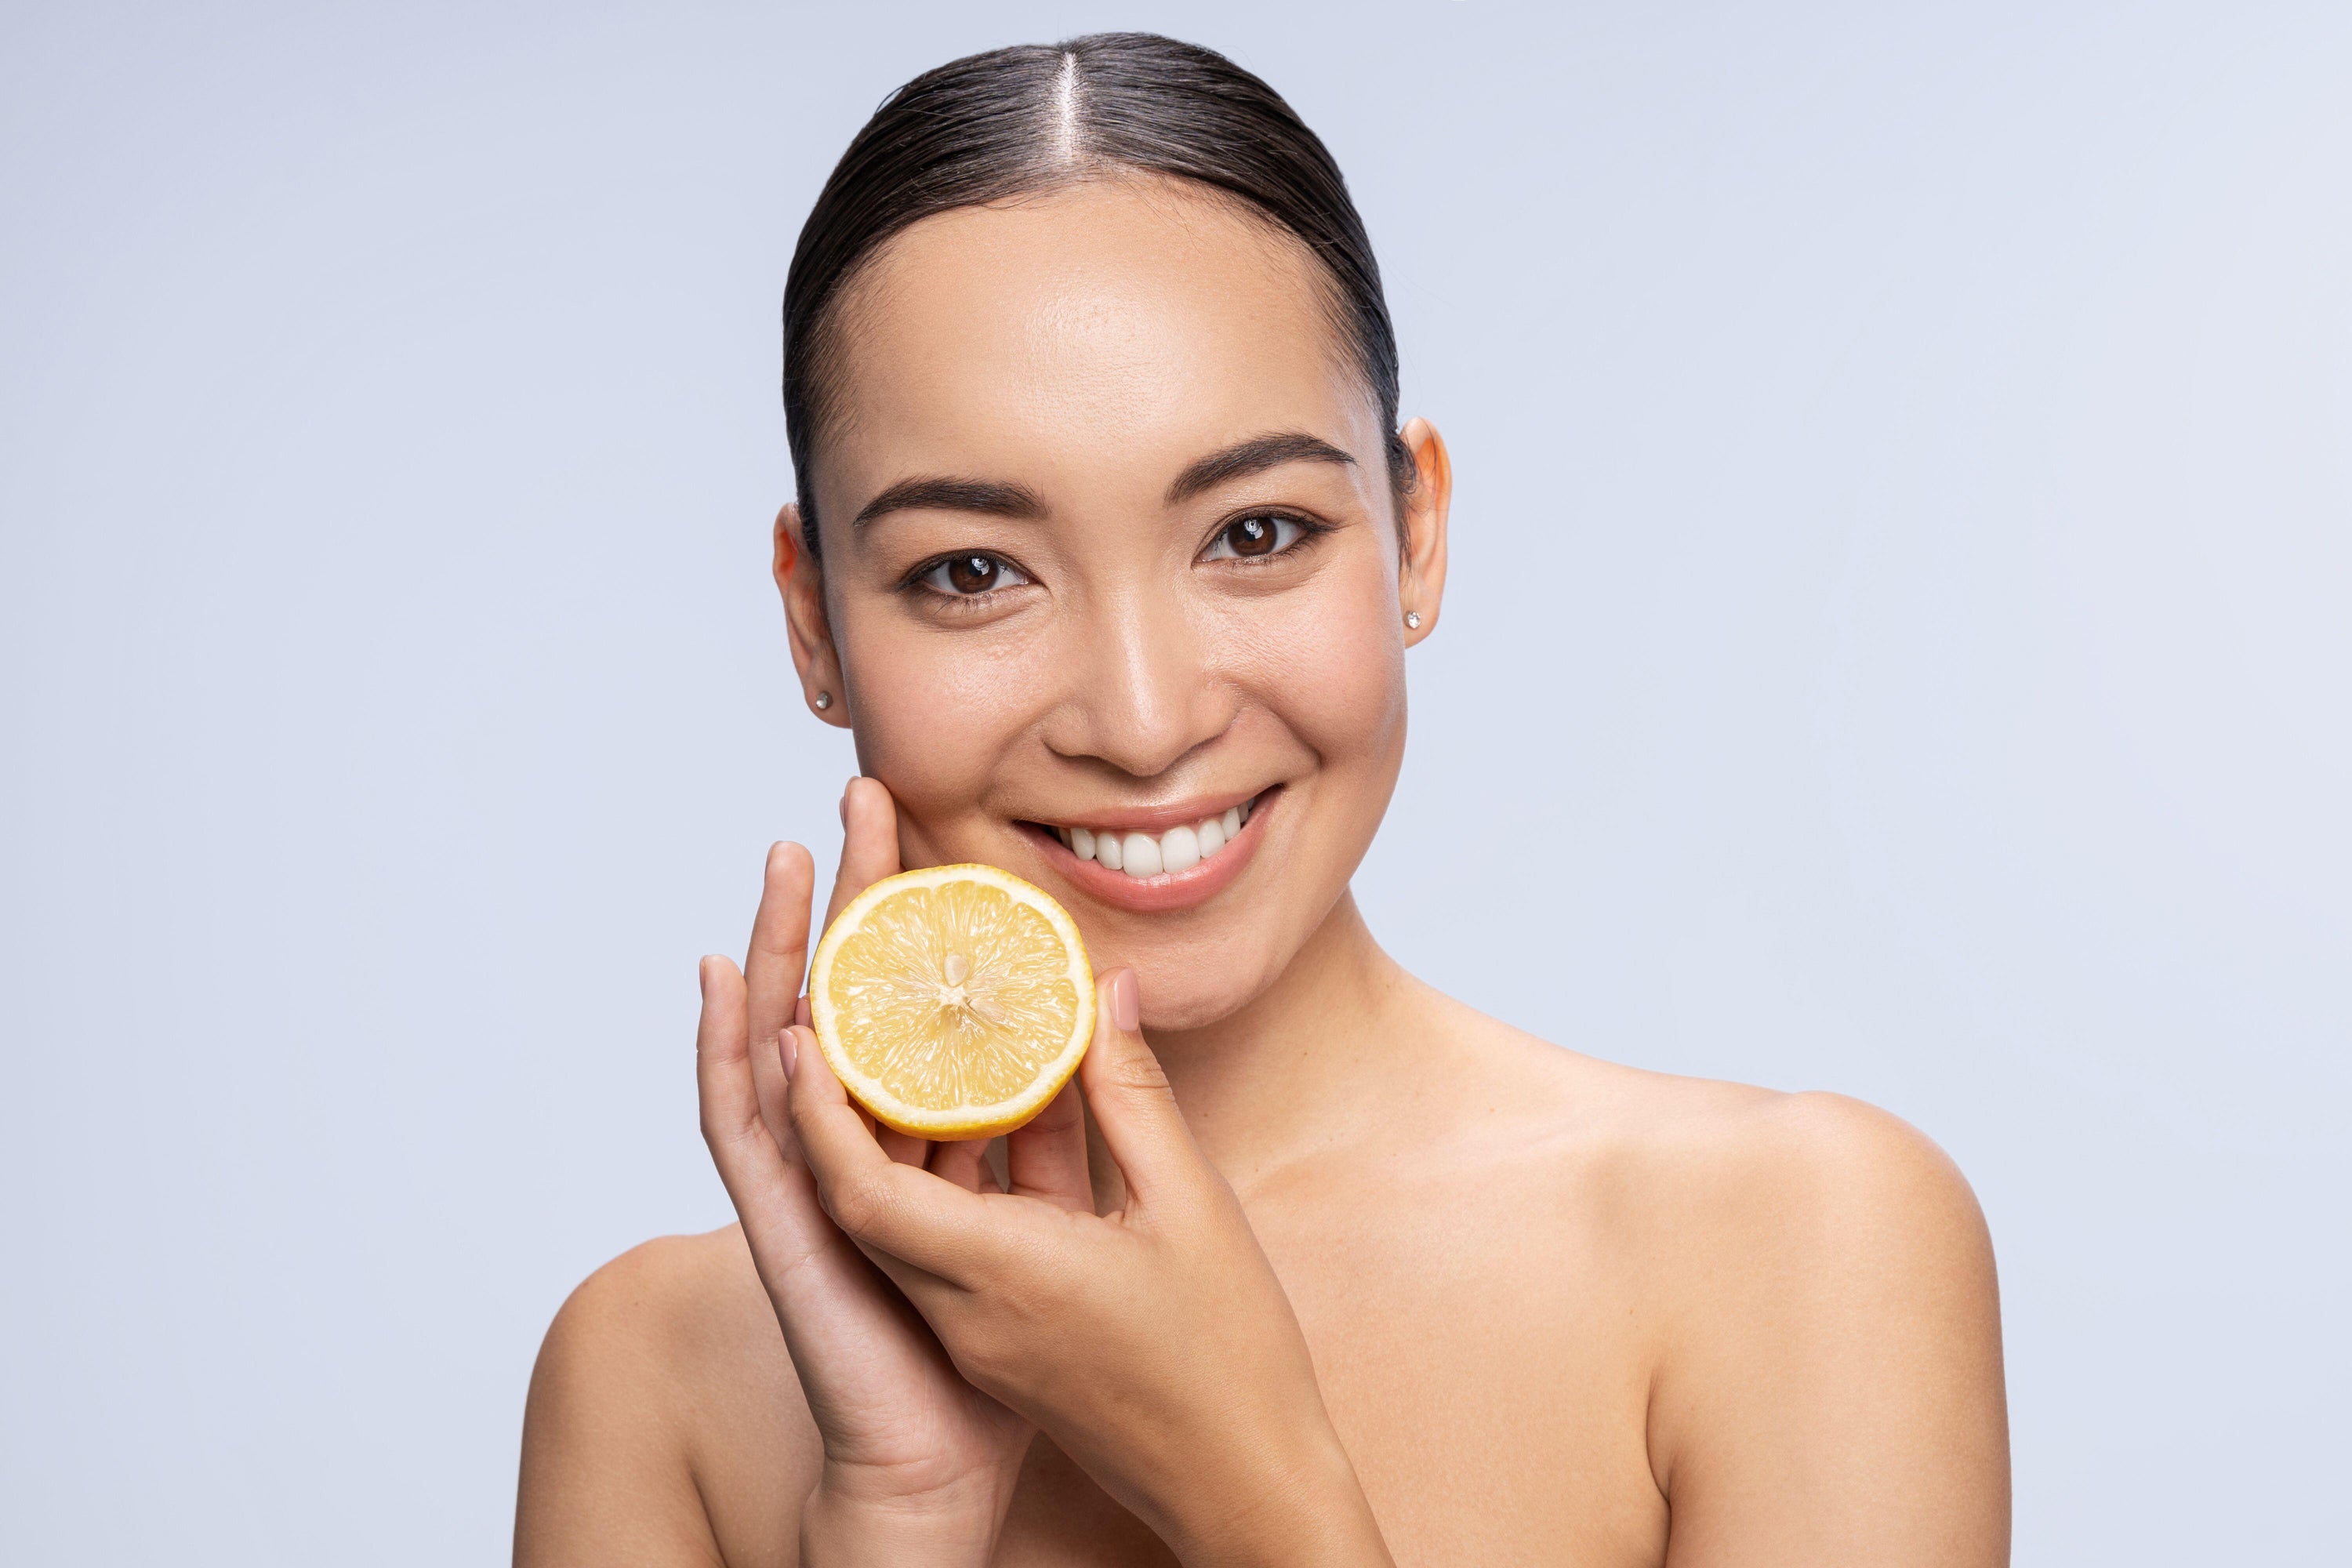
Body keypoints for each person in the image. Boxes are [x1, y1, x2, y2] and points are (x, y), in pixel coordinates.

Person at [513, 32, 2009, 1567]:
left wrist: (1246, 1471)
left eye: (1256, 532)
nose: (1148, 721)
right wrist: (900, 1508)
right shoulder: (657, 1381)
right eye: (974, 571)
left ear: (1415, 531)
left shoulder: (1798, 1252)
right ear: (815, 621)